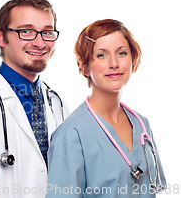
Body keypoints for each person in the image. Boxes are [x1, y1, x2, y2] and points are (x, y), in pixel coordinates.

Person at [47, 19, 166, 197]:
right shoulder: (71, 134)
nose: (114, 63)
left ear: (133, 60)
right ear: (85, 67)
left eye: (122, 53)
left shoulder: (142, 124)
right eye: (102, 55)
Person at [0, 0, 70, 198]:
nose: (40, 43)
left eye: (47, 32)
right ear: (0, 37)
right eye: (27, 32)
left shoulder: (57, 103)